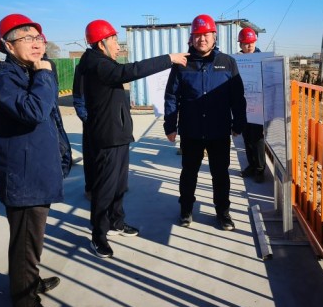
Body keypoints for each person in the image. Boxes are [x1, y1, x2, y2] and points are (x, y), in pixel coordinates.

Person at [77, 19, 189, 258]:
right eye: (114, 40)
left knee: (119, 185)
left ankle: (117, 222)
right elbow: (130, 71)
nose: (118, 46)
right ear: (101, 43)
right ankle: (98, 235)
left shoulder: (101, 61)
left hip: (117, 134)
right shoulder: (98, 64)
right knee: (105, 189)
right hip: (107, 137)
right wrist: (168, 58)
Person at [0, 14, 72, 307]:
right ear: (7, 46)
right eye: (26, 38)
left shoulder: (31, 72)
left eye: (38, 38)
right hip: (23, 177)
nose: (36, 44)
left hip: (37, 169)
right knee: (24, 244)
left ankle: (29, 281)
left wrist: (62, 155)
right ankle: (25, 302)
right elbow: (33, 111)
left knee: (32, 240)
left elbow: (52, 119)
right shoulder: (3, 78)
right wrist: (45, 74)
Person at [164, 14, 247, 231]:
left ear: (214, 37)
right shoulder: (182, 63)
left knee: (220, 174)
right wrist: (170, 125)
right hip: (191, 130)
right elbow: (172, 97)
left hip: (218, 130)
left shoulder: (227, 63)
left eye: (206, 35)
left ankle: (223, 213)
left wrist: (239, 123)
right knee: (188, 173)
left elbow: (237, 97)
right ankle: (186, 210)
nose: (202, 39)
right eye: (198, 35)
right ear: (191, 38)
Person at [237, 27, 266, 182]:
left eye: (251, 42)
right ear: (240, 45)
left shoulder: (263, 60)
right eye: (245, 43)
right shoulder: (237, 61)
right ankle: (251, 165)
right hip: (243, 106)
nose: (249, 46)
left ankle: (260, 169)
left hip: (258, 107)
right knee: (246, 137)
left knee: (257, 139)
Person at [72, 63, 94, 200]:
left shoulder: (111, 66)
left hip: (108, 122)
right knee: (91, 156)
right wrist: (87, 119)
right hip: (92, 121)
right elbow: (78, 97)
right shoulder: (84, 67)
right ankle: (91, 189)